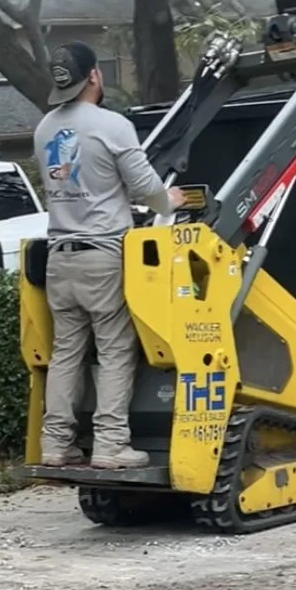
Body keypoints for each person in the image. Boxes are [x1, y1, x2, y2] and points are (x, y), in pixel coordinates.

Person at [33, 41, 185, 469]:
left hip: (60, 256)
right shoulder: (111, 124)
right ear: (95, 76)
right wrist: (169, 199)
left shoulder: (44, 128)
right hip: (104, 256)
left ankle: (55, 443)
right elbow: (146, 190)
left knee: (67, 353)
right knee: (115, 351)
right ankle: (111, 444)